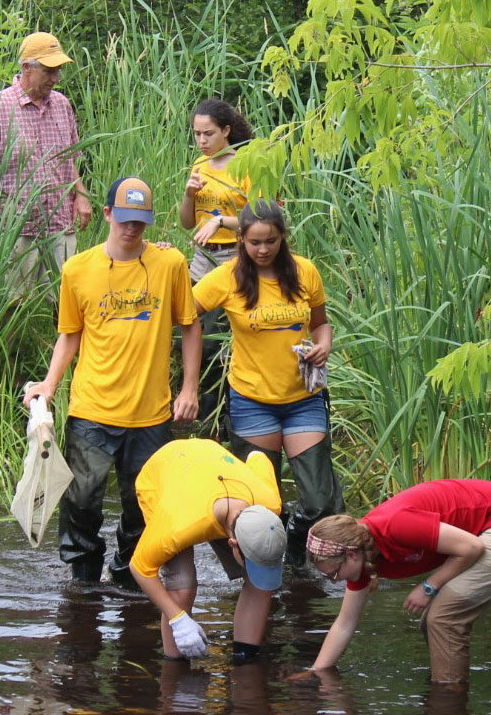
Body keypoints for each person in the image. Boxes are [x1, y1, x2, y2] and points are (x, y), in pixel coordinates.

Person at [23, 176, 201, 591]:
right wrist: (50, 385)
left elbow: (189, 327)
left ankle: (127, 574)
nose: (131, 229)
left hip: (151, 412)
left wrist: (189, 388)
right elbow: (70, 333)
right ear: (106, 214)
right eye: (123, 219)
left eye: (139, 221)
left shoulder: (169, 264)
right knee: (81, 499)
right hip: (92, 409)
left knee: (143, 504)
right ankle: (84, 580)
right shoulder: (78, 269)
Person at [192, 200, 343, 562]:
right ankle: (267, 575)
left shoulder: (304, 272)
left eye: (270, 241)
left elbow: (321, 323)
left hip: (303, 397)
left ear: (282, 238)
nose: (262, 250)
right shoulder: (227, 277)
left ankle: (295, 539)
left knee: (321, 502)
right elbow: (182, 313)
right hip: (251, 401)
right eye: (254, 242)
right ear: (241, 239)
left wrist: (323, 345)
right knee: (261, 505)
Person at [302, 479, 491, 685]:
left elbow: (471, 547)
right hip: (487, 527)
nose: (335, 581)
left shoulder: (394, 525)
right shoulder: (362, 560)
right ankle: (447, 687)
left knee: (443, 619)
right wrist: (314, 673)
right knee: (432, 622)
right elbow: (344, 624)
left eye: (334, 573)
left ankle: (447, 700)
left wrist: (428, 587)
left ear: (351, 555)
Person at [129, 438, 286, 664]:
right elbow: (140, 568)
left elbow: (257, 457)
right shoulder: (179, 525)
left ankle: (245, 659)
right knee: (182, 587)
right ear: (232, 543)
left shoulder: (269, 501)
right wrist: (178, 619)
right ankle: (175, 665)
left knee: (259, 581)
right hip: (165, 470)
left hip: (213, 461)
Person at [0, 31, 92, 298]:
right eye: (49, 70)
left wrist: (80, 195)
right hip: (17, 228)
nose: (56, 78)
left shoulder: (62, 105)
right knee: (12, 302)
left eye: (58, 70)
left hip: (60, 222)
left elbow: (68, 159)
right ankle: (11, 342)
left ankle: (60, 342)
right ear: (26, 68)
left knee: (68, 301)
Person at [177, 98, 253, 425]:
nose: (202, 141)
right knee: (188, 330)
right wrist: (189, 195)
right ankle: (198, 408)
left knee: (219, 341)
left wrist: (221, 221)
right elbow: (186, 221)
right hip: (201, 258)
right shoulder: (199, 167)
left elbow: (262, 219)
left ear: (226, 131)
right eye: (197, 134)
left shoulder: (245, 166)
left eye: (208, 134)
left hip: (234, 255)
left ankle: (223, 416)